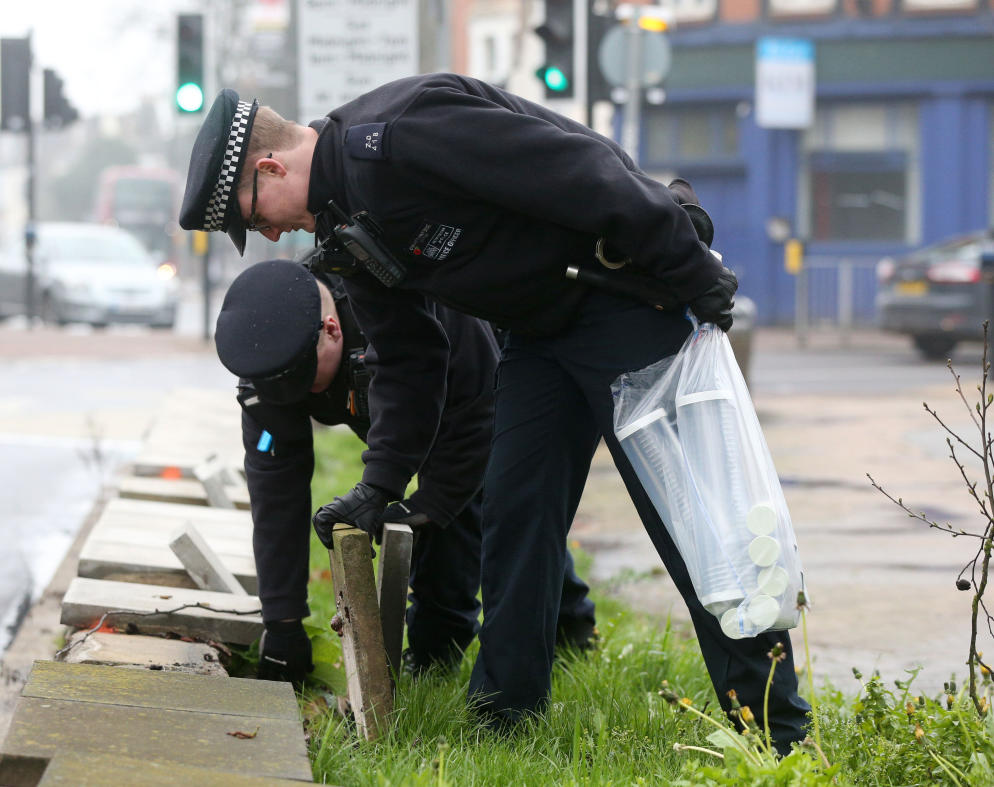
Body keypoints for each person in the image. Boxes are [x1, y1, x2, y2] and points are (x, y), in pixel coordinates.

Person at [178, 78, 809, 753]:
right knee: (514, 520)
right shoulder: (343, 229)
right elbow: (412, 358)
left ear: (269, 167)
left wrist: (686, 265)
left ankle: (776, 737)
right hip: (537, 335)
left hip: (620, 299)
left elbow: (578, 167)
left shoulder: (398, 135)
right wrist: (380, 486)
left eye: (256, 215)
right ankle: (505, 722)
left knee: (691, 520)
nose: (270, 232)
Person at [211, 258, 596, 684]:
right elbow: (275, 498)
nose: (302, 400)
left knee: (489, 502)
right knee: (456, 509)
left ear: (332, 331)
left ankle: (467, 646)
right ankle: (535, 629)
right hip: (413, 401)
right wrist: (282, 625)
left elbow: (474, 425)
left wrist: (426, 507)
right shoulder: (269, 364)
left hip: (485, 381)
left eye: (308, 384)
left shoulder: (400, 303)